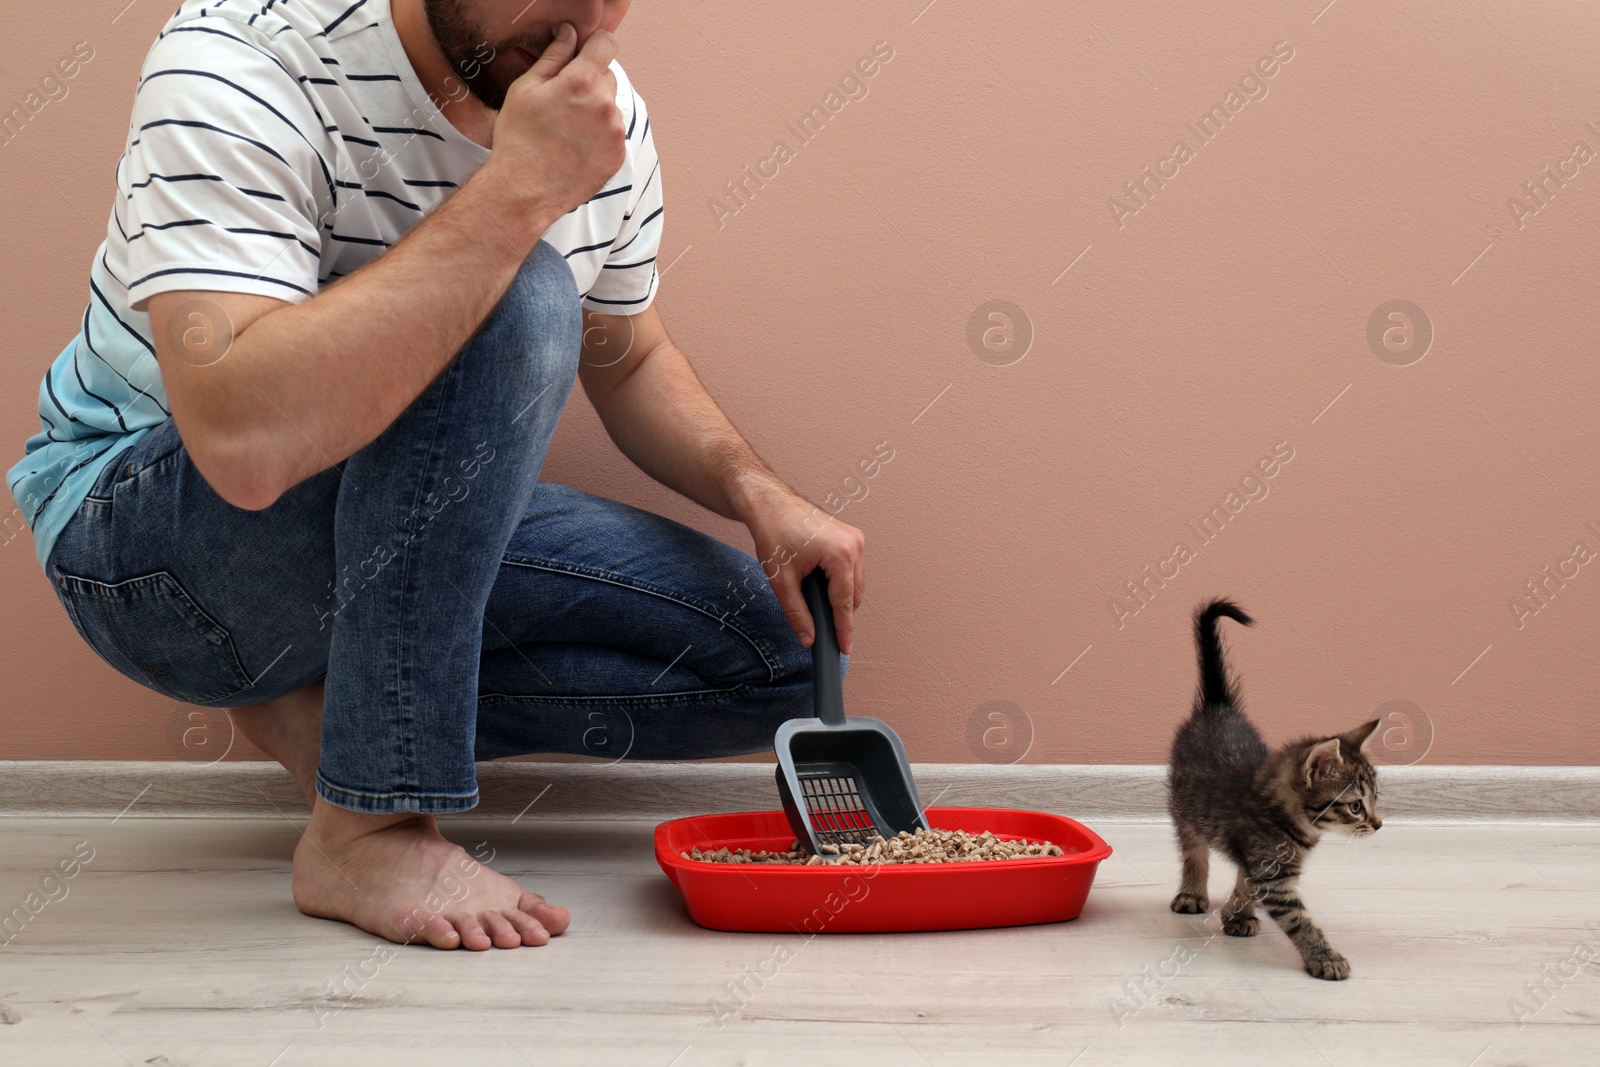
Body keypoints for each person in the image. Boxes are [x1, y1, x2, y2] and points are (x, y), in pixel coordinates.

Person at [5, 0, 866, 951]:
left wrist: (762, 496)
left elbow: (626, 353)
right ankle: (369, 824)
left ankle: (326, 720)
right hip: (149, 539)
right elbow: (239, 446)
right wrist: (518, 194)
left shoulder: (602, 119)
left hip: (403, 520)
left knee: (778, 656)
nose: (583, 14)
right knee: (520, 289)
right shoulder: (239, 56)